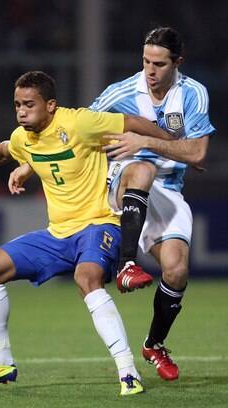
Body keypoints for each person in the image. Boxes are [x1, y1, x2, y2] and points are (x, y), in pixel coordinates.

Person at [0, 71, 172, 395]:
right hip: (58, 235)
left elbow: (132, 122)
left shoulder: (80, 123)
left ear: (50, 105)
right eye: (17, 105)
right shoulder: (25, 137)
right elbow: (4, 148)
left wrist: (170, 143)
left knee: (86, 278)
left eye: (29, 104)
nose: (22, 111)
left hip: (99, 224)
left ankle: (127, 372)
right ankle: (0, 362)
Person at [90, 27, 215, 381]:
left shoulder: (192, 94)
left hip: (169, 191)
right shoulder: (121, 92)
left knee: (176, 272)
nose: (150, 70)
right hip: (124, 180)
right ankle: (126, 264)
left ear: (177, 62)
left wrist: (145, 139)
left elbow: (199, 153)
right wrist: (24, 163)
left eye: (159, 63)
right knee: (141, 168)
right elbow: (74, 128)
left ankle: (154, 345)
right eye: (145, 61)